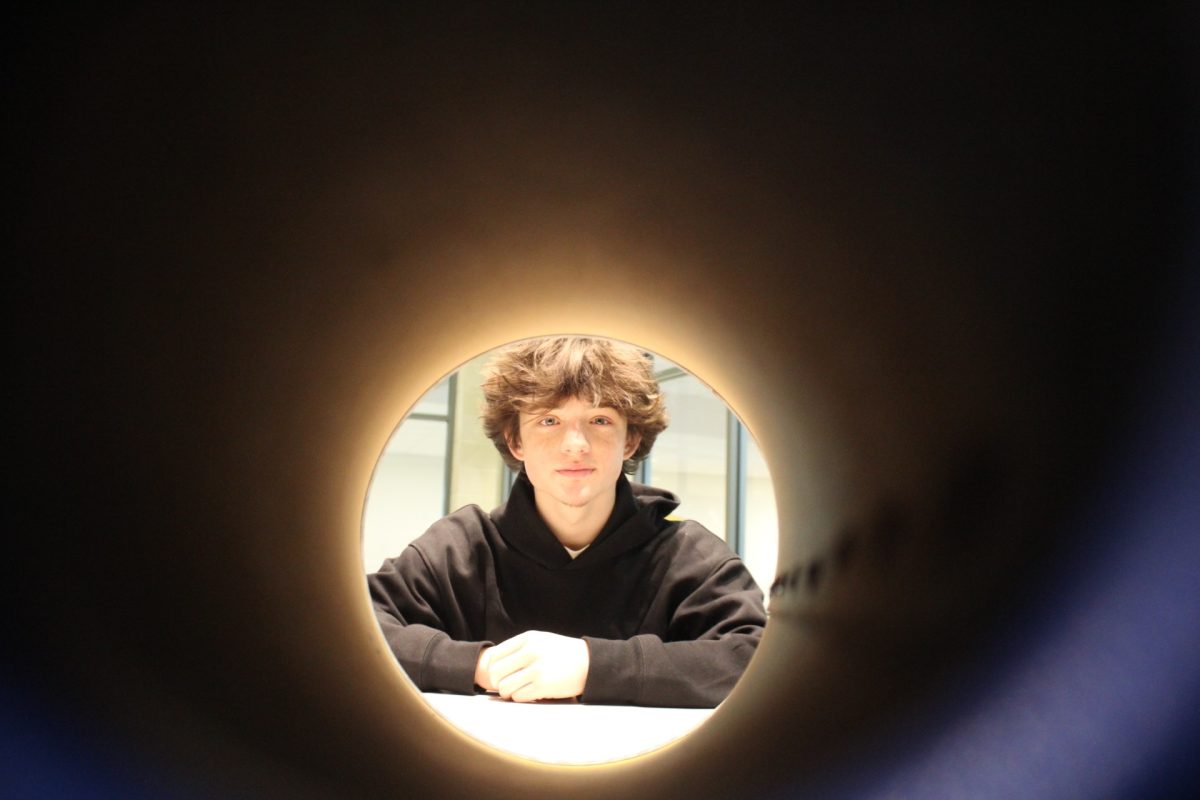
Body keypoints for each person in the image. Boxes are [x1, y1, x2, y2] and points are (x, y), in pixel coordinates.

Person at [368, 336, 766, 708]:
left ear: (630, 440)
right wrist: (483, 665)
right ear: (515, 441)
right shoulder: (460, 548)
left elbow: (754, 657)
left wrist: (591, 665)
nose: (575, 444)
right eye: (548, 421)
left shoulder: (688, 554)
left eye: (600, 420)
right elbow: (358, 629)